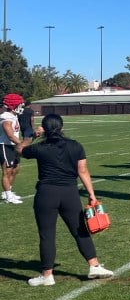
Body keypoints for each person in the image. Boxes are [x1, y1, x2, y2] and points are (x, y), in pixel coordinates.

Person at [19, 114, 113, 286]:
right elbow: (83, 171)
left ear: (45, 129)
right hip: (70, 192)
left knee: (47, 235)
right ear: (62, 127)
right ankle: (94, 265)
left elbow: (20, 150)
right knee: (80, 231)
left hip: (46, 193)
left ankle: (47, 275)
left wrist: (32, 136)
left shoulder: (40, 147)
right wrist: (91, 194)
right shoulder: (75, 145)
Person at [1, 93, 26, 204]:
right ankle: (8, 195)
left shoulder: (13, 116)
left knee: (15, 169)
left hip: (13, 145)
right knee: (7, 171)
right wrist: (21, 144)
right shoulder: (5, 117)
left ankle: (8, 191)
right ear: (12, 105)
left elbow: (15, 134)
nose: (21, 107)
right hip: (5, 145)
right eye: (19, 104)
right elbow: (10, 135)